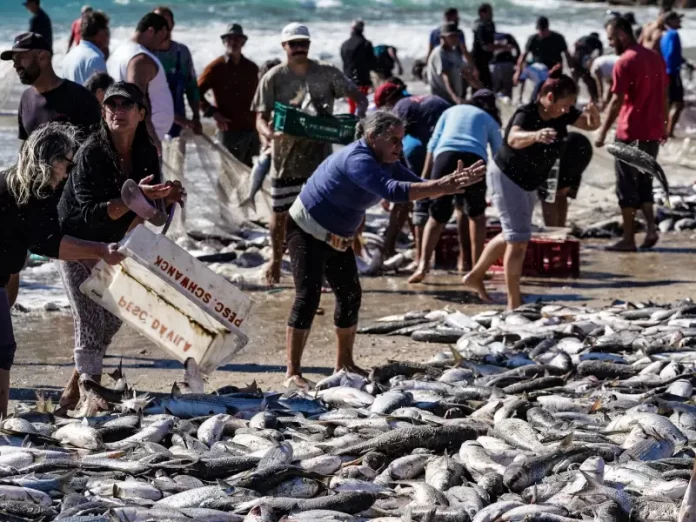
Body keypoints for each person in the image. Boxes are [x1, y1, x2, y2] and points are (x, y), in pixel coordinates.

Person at [284, 111, 486, 387]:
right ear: (372, 137)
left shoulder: (388, 159)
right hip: (305, 229)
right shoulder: (358, 159)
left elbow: (414, 184)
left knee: (350, 296)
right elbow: (391, 190)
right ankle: (292, 372)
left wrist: (449, 185)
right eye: (393, 140)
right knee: (308, 298)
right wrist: (442, 185)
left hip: (338, 237)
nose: (399, 147)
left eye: (401, 140)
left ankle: (344, 363)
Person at [57, 82, 184, 410]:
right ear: (104, 112)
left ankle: (72, 391)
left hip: (117, 243)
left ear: (141, 114)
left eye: (126, 105)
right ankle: (91, 401)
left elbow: (154, 217)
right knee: (90, 320)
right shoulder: (92, 153)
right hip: (76, 240)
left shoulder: (147, 153)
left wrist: (167, 199)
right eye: (111, 105)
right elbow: (90, 214)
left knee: (111, 319)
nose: (118, 111)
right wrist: (134, 199)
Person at [0, 123, 123, 417]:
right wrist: (99, 251)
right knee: (2, 349)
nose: (68, 173)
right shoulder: (33, 193)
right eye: (67, 164)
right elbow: (50, 243)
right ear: (53, 161)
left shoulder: (14, 181)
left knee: (4, 349)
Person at [463, 67, 600, 310]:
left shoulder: (561, 114)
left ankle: (475, 276)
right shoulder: (526, 113)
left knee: (514, 234)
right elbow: (513, 138)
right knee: (519, 240)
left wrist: (595, 116)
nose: (568, 110)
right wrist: (536, 136)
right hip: (507, 177)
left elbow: (588, 125)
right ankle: (513, 303)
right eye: (565, 105)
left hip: (529, 180)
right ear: (549, 98)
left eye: (571, 106)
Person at [251, 23, 368, 286]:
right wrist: (268, 135)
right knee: (280, 212)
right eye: (294, 44)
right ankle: (277, 261)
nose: (299, 48)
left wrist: (358, 119)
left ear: (309, 45)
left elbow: (358, 97)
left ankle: (324, 264)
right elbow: (259, 117)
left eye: (303, 43)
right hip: (284, 158)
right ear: (284, 46)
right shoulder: (273, 77)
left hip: (320, 158)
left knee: (322, 214)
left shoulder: (326, 74)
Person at [410, 90, 502, 284]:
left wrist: (426, 177)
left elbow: (432, 144)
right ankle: (478, 268)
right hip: (474, 159)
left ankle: (423, 265)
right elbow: (498, 154)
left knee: (436, 217)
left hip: (445, 156)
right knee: (476, 215)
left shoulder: (451, 111)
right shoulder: (488, 119)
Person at [595, 16, 668, 252]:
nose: (610, 43)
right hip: (653, 131)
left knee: (626, 185)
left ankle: (628, 239)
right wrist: (664, 126)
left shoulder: (625, 61)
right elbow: (664, 95)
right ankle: (650, 230)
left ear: (623, 35)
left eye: (611, 38)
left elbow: (616, 101)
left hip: (630, 131)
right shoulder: (655, 58)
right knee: (645, 181)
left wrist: (602, 132)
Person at [374, 83, 450, 261]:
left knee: (406, 198)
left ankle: (391, 249)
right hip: (447, 149)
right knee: (438, 198)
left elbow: (389, 146)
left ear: (390, 100)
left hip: (423, 150)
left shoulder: (400, 107)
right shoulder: (426, 100)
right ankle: (428, 249)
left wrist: (385, 189)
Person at [1, 32, 101, 141]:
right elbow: (26, 148)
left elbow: (97, 147)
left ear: (42, 58)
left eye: (20, 57)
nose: (15, 65)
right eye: (14, 60)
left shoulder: (81, 98)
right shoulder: (26, 98)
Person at [107, 13, 174, 150]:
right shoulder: (141, 58)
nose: (162, 42)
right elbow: (137, 100)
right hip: (141, 139)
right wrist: (151, 138)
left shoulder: (119, 52)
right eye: (162, 35)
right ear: (150, 31)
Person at [199, 24, 259, 166]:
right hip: (228, 130)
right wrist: (213, 113)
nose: (234, 42)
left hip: (251, 130)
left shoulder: (251, 68)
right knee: (227, 175)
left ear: (243, 42)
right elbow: (195, 93)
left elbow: (260, 97)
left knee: (249, 174)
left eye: (237, 39)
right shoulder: (215, 67)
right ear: (224, 42)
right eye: (230, 39)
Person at [153, 6, 202, 138]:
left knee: (177, 158)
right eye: (157, 20)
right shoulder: (146, 54)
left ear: (173, 25)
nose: (161, 25)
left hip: (178, 128)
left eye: (165, 21)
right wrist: (174, 117)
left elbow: (192, 87)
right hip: (152, 127)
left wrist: (196, 117)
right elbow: (146, 97)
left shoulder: (182, 52)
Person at [540, 132, 593, 227]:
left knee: (548, 194)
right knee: (561, 192)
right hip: (580, 144)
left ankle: (552, 233)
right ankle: (559, 230)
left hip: (566, 148)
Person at [515, 17, 572, 102]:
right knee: (526, 68)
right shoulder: (533, 38)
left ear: (547, 27)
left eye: (543, 30)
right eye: (539, 29)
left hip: (553, 68)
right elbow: (523, 55)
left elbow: (567, 54)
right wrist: (518, 71)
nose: (541, 32)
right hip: (537, 68)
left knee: (550, 88)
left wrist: (571, 67)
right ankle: (519, 98)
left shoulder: (558, 38)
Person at [661, 12, 692, 138]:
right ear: (670, 21)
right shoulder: (674, 34)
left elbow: (669, 54)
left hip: (666, 72)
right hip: (673, 72)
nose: (680, 21)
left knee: (669, 102)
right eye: (677, 19)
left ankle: (663, 129)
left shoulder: (665, 36)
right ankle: (669, 132)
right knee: (678, 104)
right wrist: (677, 66)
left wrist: (685, 62)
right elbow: (672, 54)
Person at [62, 9, 109, 86]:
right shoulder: (95, 59)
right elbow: (102, 95)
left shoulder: (68, 57)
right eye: (105, 29)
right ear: (98, 33)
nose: (108, 34)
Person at [426, 22, 467, 105]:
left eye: (457, 36)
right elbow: (445, 78)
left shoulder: (454, 51)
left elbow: (465, 72)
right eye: (452, 36)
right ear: (443, 38)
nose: (456, 38)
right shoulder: (440, 53)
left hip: (452, 97)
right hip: (442, 99)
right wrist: (455, 97)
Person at [341, 19, 374, 115]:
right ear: (362, 29)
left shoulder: (344, 44)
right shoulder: (366, 44)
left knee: (352, 105)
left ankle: (351, 122)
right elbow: (372, 63)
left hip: (348, 79)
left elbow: (344, 61)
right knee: (362, 106)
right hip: (362, 80)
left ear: (352, 29)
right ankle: (360, 125)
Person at [572, 32, 603, 102]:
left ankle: (572, 101)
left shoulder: (582, 37)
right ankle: (594, 100)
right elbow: (601, 55)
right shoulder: (597, 41)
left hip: (574, 60)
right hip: (583, 61)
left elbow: (574, 46)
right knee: (590, 82)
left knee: (575, 82)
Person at [472, 3, 497, 89]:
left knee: (488, 84)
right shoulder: (480, 26)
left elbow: (493, 40)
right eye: (489, 12)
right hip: (478, 59)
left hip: (488, 59)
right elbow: (485, 46)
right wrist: (503, 47)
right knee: (481, 85)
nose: (492, 14)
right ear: (482, 13)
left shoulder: (490, 24)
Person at [490, 32, 520, 99]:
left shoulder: (491, 37)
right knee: (508, 89)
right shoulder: (509, 36)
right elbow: (518, 50)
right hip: (508, 64)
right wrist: (515, 62)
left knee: (495, 89)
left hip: (495, 65)